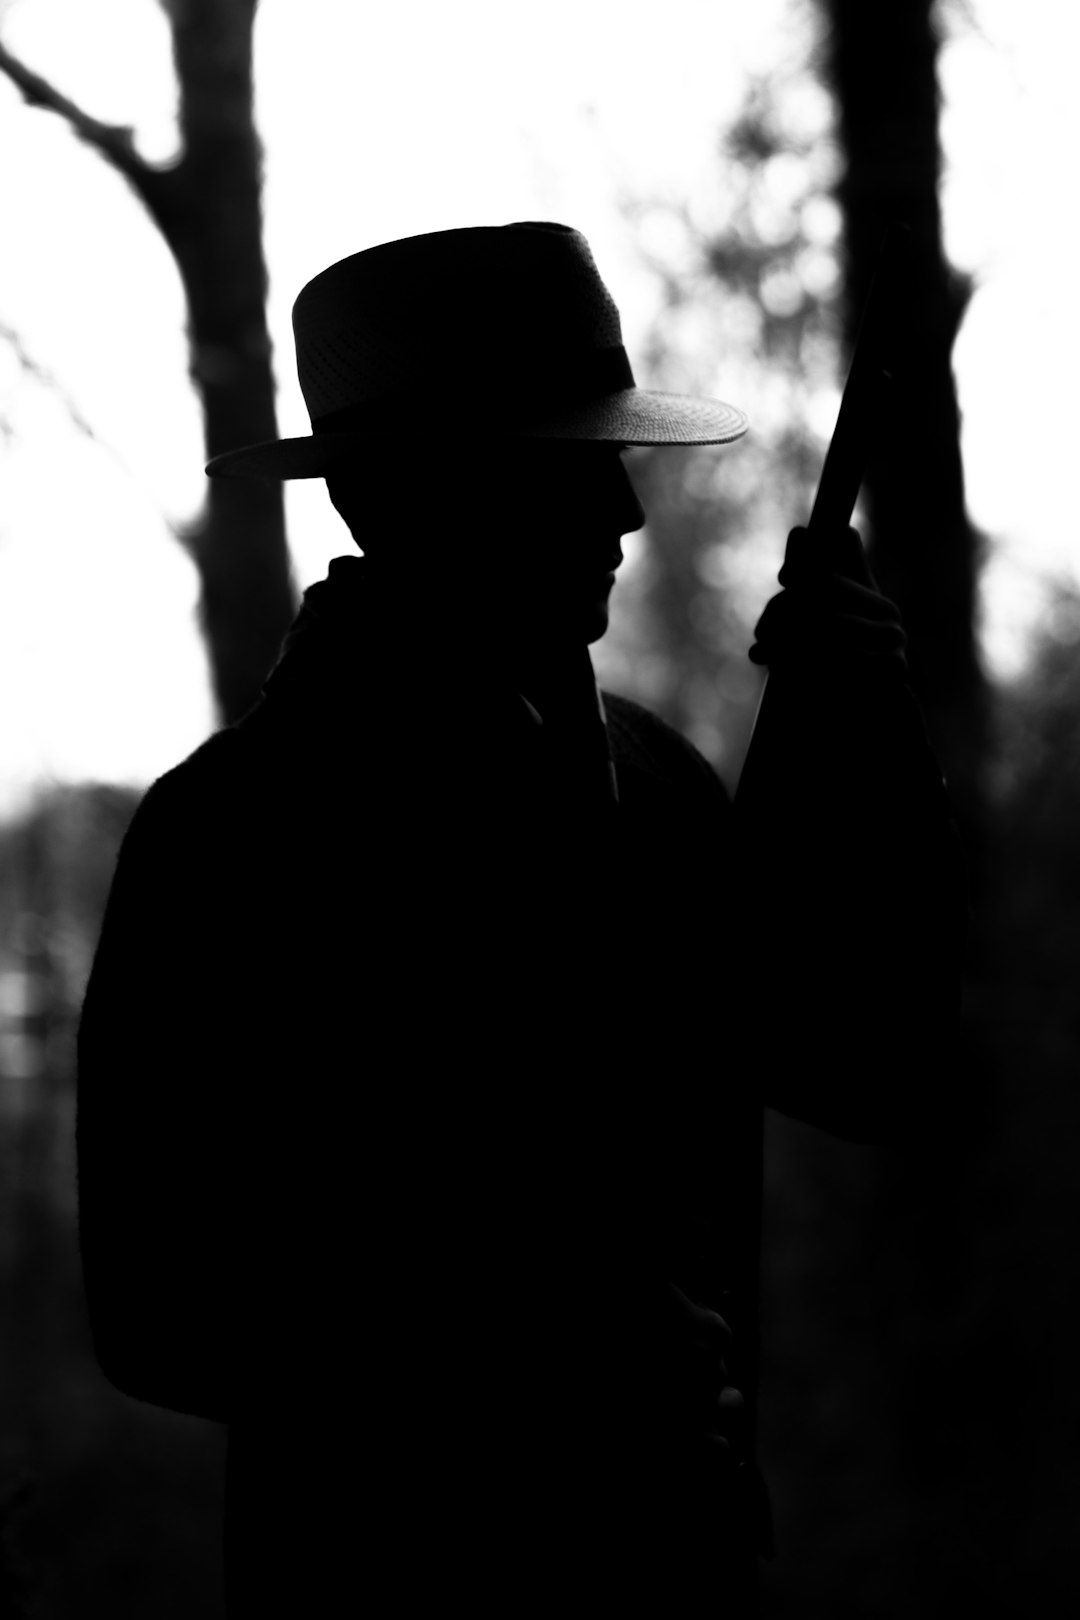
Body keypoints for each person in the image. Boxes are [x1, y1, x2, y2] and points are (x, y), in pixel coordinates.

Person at [75, 222, 966, 1616]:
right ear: (414, 495)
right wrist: (539, 1348)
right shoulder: (230, 837)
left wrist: (865, 746)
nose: (625, 511)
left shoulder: (657, 786)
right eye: (572, 460)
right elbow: (161, 1314)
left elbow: (873, 1067)